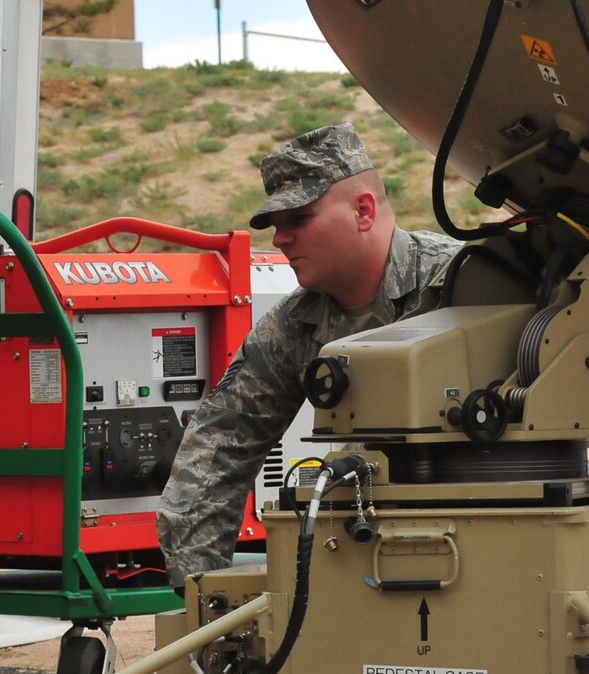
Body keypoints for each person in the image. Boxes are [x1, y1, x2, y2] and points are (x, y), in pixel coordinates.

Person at [155, 123, 461, 586]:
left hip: (477, 533)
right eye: (277, 226)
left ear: (363, 211)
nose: (280, 239)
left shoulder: (458, 284)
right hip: (368, 544)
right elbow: (218, 448)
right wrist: (200, 595)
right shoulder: (295, 324)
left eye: (299, 219)